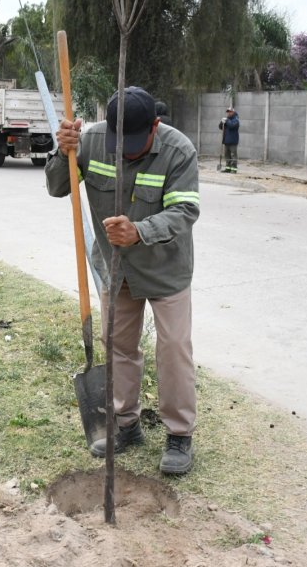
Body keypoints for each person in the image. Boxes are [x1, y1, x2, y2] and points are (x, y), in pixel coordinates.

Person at [45, 86, 200, 475]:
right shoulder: (94, 141)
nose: (125, 150)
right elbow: (57, 187)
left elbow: (184, 211)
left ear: (155, 125)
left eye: (134, 142)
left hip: (165, 268)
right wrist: (62, 152)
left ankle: (179, 435)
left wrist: (140, 230)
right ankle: (126, 424)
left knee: (174, 350)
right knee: (118, 346)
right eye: (120, 141)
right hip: (116, 269)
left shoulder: (178, 151)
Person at [218, 107, 240, 173]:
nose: (228, 113)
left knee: (233, 156)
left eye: (230, 112)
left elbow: (231, 125)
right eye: (227, 112)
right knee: (227, 155)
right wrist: (222, 122)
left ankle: (234, 169)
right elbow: (220, 127)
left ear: (233, 112)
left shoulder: (236, 120)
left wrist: (226, 121)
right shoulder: (227, 120)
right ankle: (228, 168)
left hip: (233, 141)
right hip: (226, 140)